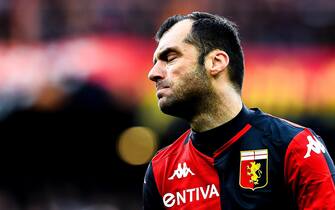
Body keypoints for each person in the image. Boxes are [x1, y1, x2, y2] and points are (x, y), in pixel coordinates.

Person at [143, 12, 335, 210]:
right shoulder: (161, 169)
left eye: (170, 58)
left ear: (216, 62)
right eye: (155, 63)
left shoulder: (296, 147)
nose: (153, 73)